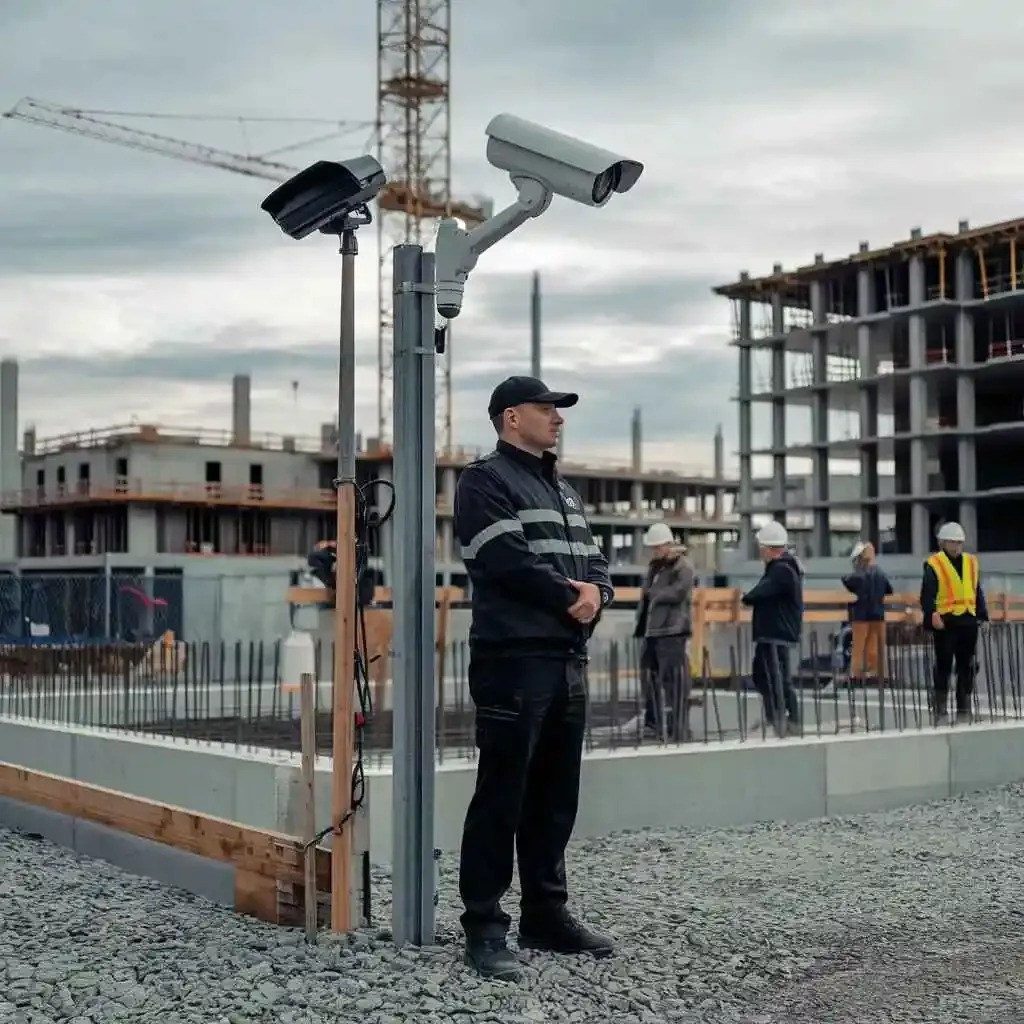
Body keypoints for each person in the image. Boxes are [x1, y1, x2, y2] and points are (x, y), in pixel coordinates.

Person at [454, 375, 616, 980]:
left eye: (559, 410)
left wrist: (597, 594)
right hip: (513, 659)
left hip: (564, 658)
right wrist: (570, 599)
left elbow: (594, 560)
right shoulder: (485, 480)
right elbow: (504, 559)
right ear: (510, 416)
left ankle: (545, 915)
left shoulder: (562, 489)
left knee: (554, 797)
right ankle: (485, 928)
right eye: (547, 408)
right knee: (504, 793)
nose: (558, 418)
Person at [919, 521, 988, 725]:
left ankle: (963, 705)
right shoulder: (934, 563)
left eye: (959, 542)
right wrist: (932, 614)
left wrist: (983, 615)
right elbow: (928, 593)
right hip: (946, 621)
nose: (957, 546)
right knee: (944, 664)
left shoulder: (971, 562)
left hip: (968, 619)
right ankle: (940, 706)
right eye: (953, 542)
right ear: (943, 543)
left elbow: (977, 591)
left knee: (967, 665)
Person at [741, 520, 804, 738]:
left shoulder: (782, 570)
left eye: (762, 547)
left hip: (777, 634)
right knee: (764, 676)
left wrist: (745, 597)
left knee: (777, 678)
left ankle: (787, 721)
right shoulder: (781, 568)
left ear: (769, 548)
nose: (760, 552)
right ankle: (776, 717)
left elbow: (758, 593)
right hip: (772, 633)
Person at [634, 523, 694, 740]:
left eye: (657, 547)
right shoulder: (656, 567)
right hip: (652, 632)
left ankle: (678, 728)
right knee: (648, 679)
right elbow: (648, 594)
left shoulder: (683, 566)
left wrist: (655, 594)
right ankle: (653, 724)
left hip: (672, 632)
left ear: (668, 545)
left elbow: (678, 592)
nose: (655, 551)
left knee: (674, 682)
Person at [841, 541, 893, 685]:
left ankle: (855, 675)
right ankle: (877, 673)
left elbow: (847, 580)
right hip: (878, 615)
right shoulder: (881, 574)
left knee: (858, 647)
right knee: (875, 647)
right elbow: (889, 589)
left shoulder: (859, 575)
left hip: (861, 615)